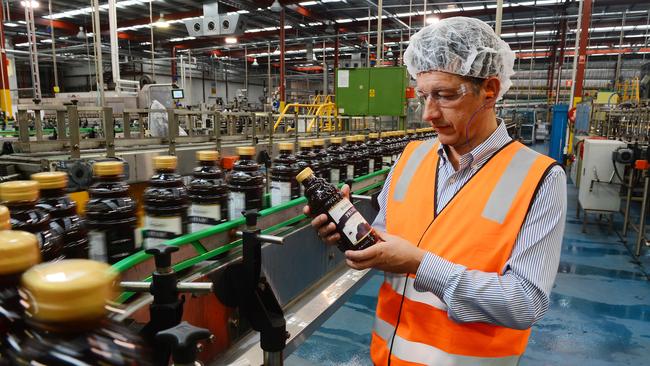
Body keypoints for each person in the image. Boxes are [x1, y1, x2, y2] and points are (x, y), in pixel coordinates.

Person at [304, 16, 566, 365]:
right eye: (423, 96)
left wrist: (420, 264)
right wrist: (351, 233)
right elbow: (384, 240)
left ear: (489, 90)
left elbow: (525, 303)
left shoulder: (540, 179)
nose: (429, 113)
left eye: (444, 95)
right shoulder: (411, 158)